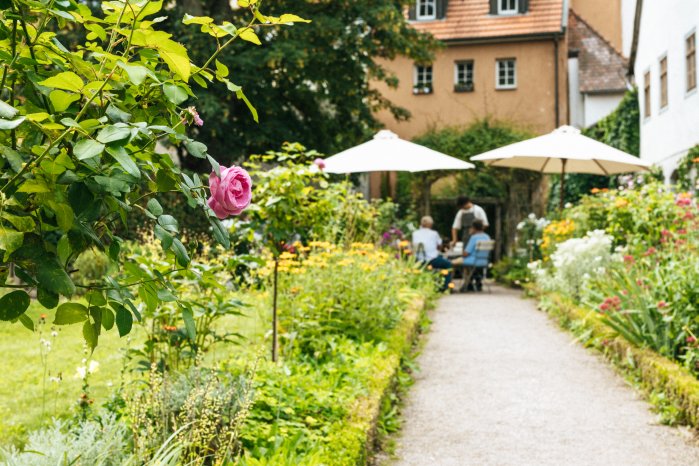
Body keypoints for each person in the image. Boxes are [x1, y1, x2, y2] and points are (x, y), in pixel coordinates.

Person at [412, 216, 452, 290]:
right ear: (430, 224)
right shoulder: (434, 233)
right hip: (431, 260)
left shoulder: (415, 233)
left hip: (418, 261)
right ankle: (446, 287)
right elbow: (440, 246)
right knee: (448, 264)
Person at [462, 219, 491, 291]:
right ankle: (478, 283)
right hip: (484, 261)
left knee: (460, 263)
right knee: (471, 266)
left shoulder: (474, 237)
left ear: (474, 228)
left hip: (473, 260)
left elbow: (466, 253)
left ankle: (468, 284)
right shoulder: (487, 237)